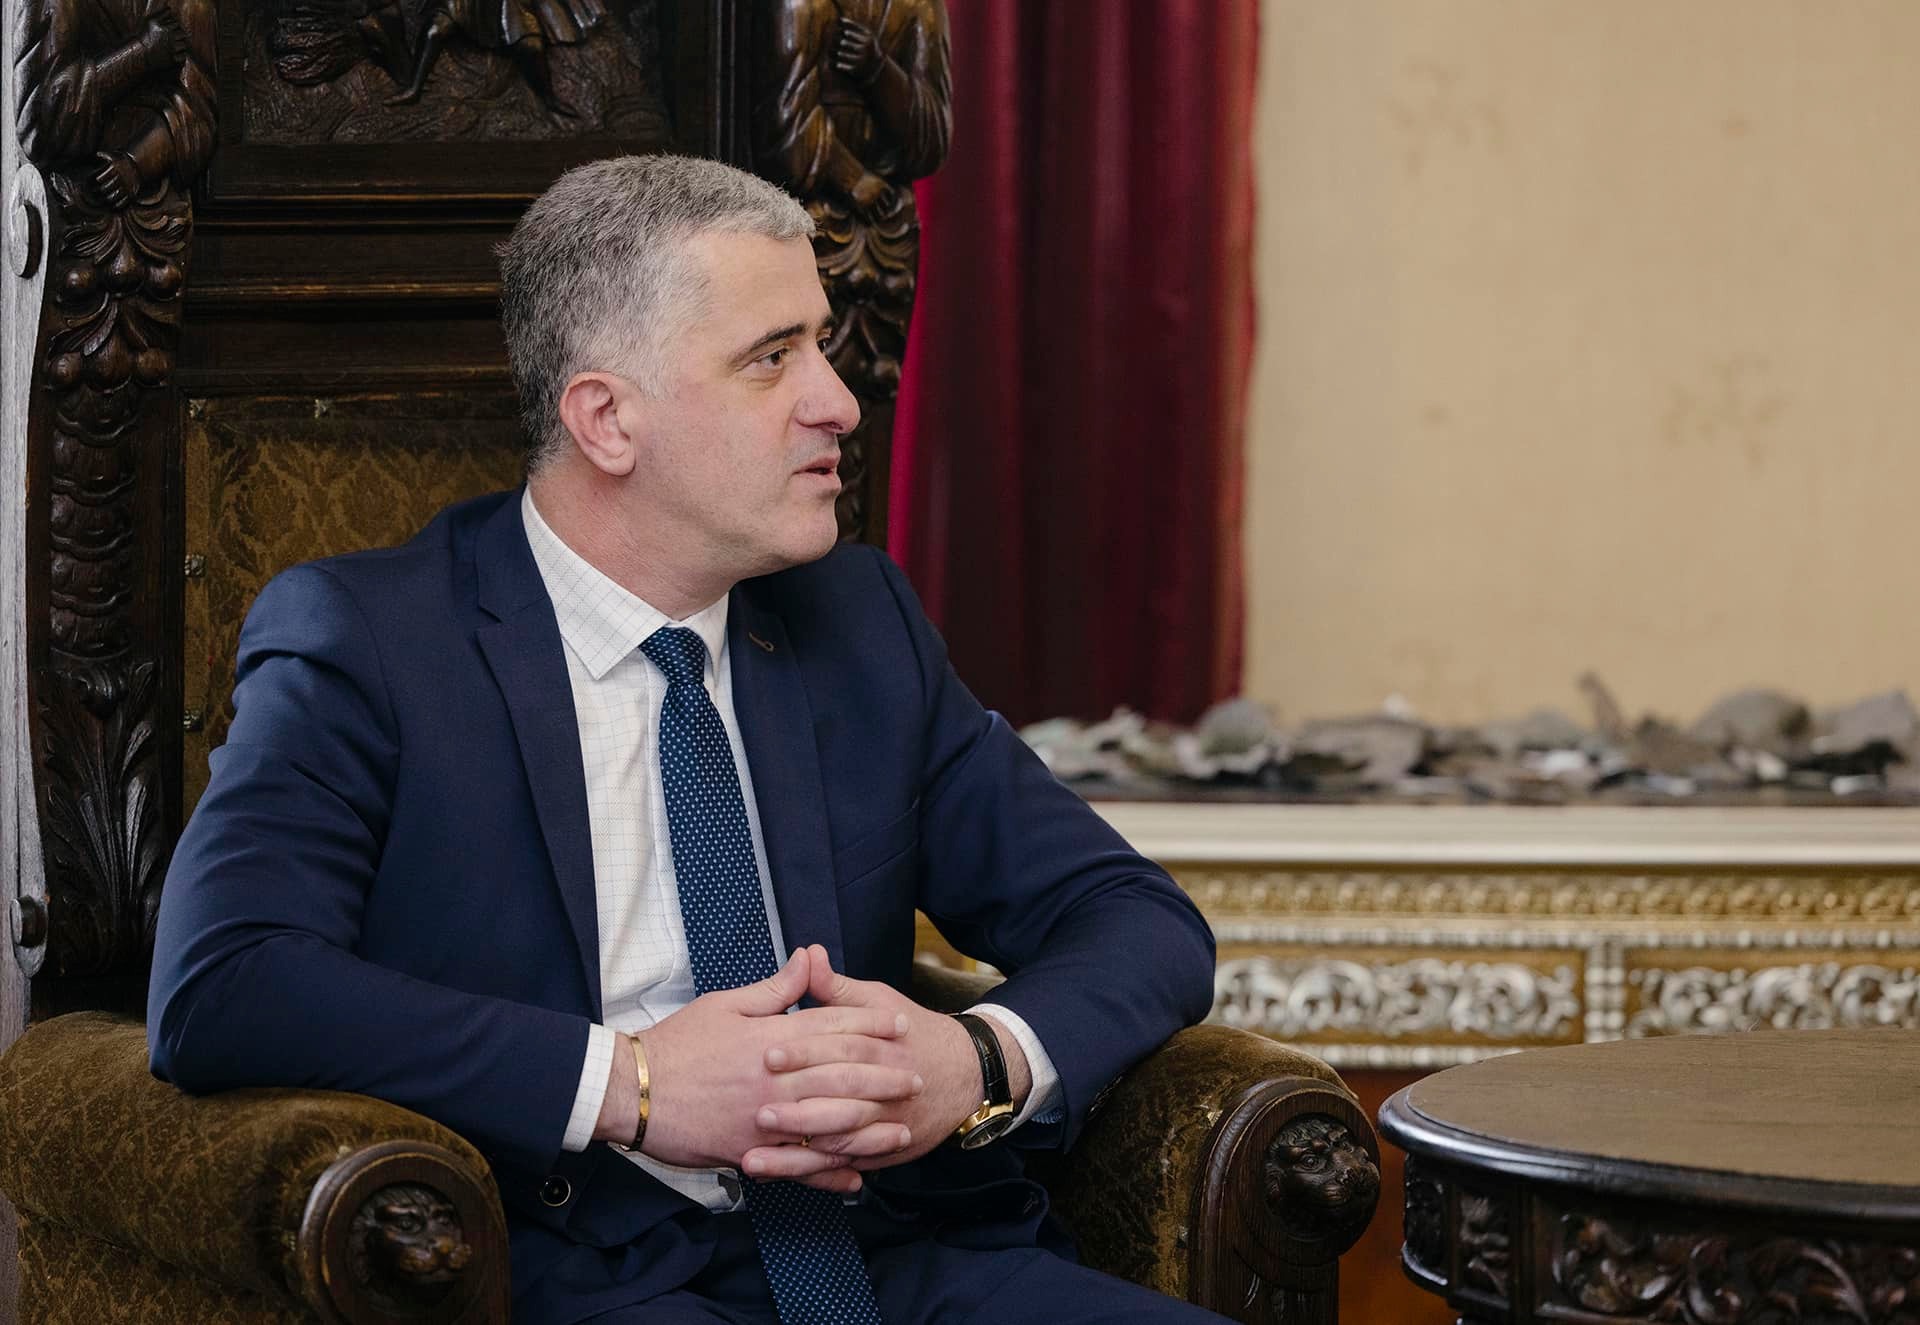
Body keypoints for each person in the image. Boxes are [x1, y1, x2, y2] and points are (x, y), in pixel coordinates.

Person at [149, 154, 1222, 1324]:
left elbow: (1136, 916)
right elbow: (224, 979)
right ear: (608, 419)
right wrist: (636, 1082)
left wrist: (974, 1063)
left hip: (900, 1253)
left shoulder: (860, 622)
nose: (839, 400)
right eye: (772, 357)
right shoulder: (371, 642)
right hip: (584, 1273)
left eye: (822, 343)